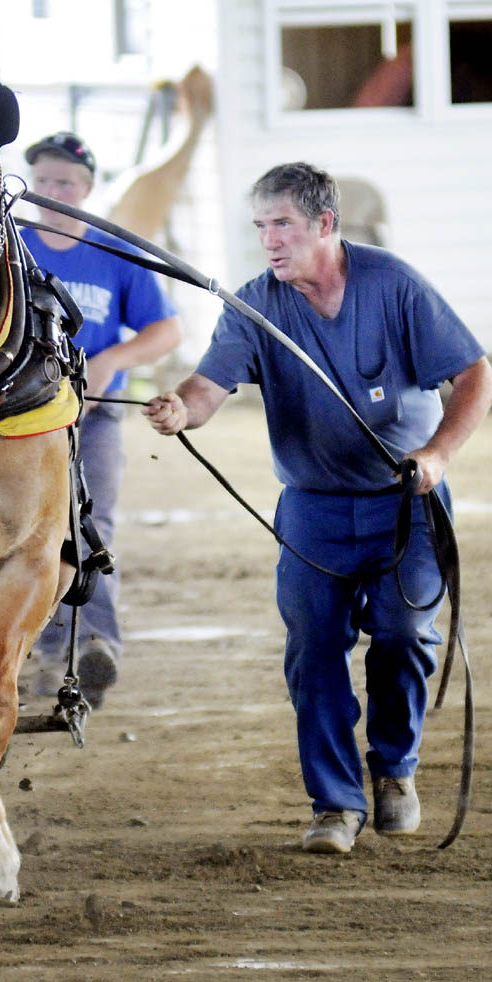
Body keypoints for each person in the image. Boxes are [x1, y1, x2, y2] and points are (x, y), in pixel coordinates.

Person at [143, 162, 492, 854]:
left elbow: (475, 373)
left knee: (403, 637)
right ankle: (335, 804)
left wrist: (439, 455)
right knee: (312, 649)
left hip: (407, 504)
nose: (268, 241)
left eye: (282, 225)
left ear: (324, 224)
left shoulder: (393, 284)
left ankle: (394, 769)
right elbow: (210, 386)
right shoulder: (256, 304)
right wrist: (182, 408)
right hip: (313, 510)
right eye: (260, 227)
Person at [21, 132, 183, 708]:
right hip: (17, 421)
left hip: (94, 420)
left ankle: (95, 646)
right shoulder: (8, 246)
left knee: (90, 527)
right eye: (43, 181)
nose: (52, 192)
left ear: (88, 188)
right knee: (24, 534)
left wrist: (111, 360)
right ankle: (37, 651)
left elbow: (167, 328)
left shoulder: (113, 252)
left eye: (65, 182)